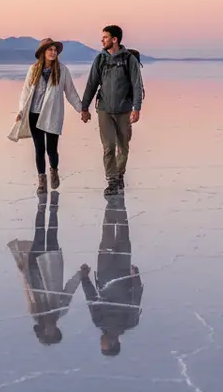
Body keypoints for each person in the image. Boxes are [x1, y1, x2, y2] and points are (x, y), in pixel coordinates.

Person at [7, 193, 84, 345]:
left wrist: (23, 273)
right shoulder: (60, 311)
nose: (49, 330)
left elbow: (27, 293)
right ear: (56, 331)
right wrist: (80, 275)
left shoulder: (35, 313)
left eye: (46, 333)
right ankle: (53, 208)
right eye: (52, 333)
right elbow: (68, 291)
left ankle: (41, 205)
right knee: (52, 234)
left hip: (34, 269)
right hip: (51, 266)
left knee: (39, 233)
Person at [11, 38, 83, 195]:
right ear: (43, 52)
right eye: (50, 50)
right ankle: (42, 181)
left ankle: (54, 171)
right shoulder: (33, 69)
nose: (53, 52)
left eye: (55, 50)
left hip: (52, 115)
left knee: (52, 149)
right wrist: (21, 111)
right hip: (34, 114)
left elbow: (70, 92)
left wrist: (81, 109)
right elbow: (25, 92)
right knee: (39, 149)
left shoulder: (62, 71)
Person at [80, 25, 144, 197]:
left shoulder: (129, 60)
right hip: (105, 110)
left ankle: (119, 173)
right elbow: (91, 84)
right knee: (108, 146)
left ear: (114, 39)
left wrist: (136, 108)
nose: (102, 40)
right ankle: (112, 180)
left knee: (123, 146)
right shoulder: (100, 59)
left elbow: (137, 85)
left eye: (105, 37)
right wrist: (84, 107)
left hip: (124, 110)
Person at [79, 193, 142, 356]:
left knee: (107, 234)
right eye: (104, 345)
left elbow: (91, 299)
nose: (101, 342)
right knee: (123, 236)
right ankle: (119, 202)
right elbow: (136, 298)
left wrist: (85, 278)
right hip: (123, 273)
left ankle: (110, 204)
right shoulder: (130, 322)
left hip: (104, 271)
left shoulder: (99, 321)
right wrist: (135, 277)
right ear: (114, 343)